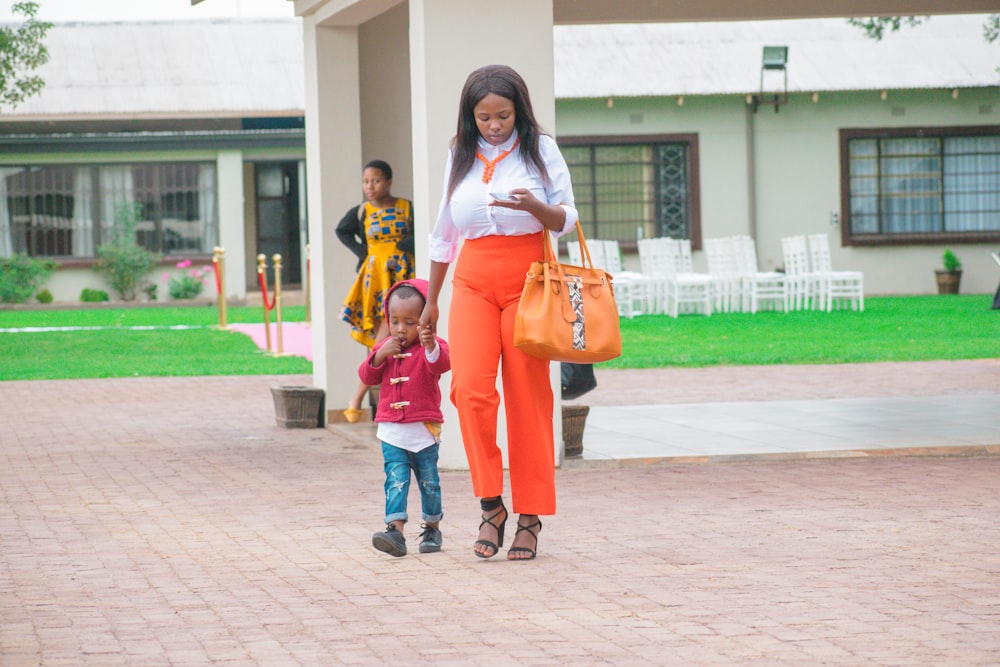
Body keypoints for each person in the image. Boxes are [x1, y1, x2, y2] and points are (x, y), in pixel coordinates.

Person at [419, 64, 578, 561]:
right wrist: (431, 298)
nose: (493, 126)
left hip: (528, 279)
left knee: (528, 395)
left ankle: (529, 514)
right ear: (471, 117)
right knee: (469, 390)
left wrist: (534, 206)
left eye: (503, 116)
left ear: (519, 111)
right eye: (484, 117)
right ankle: (492, 503)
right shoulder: (459, 154)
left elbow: (567, 220)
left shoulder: (541, 150)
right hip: (471, 278)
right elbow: (445, 232)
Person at [359, 278, 451, 557]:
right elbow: (366, 376)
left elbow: (442, 363)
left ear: (425, 321)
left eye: (410, 322)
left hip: (423, 432)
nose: (401, 329)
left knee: (429, 483)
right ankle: (395, 532)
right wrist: (377, 357)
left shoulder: (431, 347)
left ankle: (432, 527)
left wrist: (431, 343)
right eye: (395, 321)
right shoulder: (386, 348)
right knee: (395, 481)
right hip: (393, 433)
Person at [337, 159, 415, 422]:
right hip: (375, 277)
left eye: (376, 180)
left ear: (389, 182)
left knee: (389, 334)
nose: (370, 186)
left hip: (402, 274)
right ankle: (363, 397)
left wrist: (407, 245)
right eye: (366, 181)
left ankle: (360, 398)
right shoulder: (362, 211)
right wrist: (364, 253)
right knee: (385, 334)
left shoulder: (406, 207)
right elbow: (342, 231)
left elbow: (421, 230)